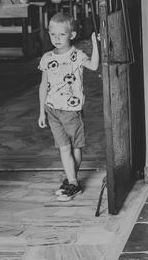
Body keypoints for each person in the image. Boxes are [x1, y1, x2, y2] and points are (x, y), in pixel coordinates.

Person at [37, 13, 99, 201]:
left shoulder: (77, 55)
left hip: (71, 111)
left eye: (61, 34)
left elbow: (94, 66)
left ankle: (72, 182)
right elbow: (43, 85)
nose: (56, 38)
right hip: (52, 110)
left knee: (75, 147)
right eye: (52, 34)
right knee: (64, 148)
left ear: (71, 35)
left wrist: (95, 44)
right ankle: (72, 181)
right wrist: (41, 111)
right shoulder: (47, 57)